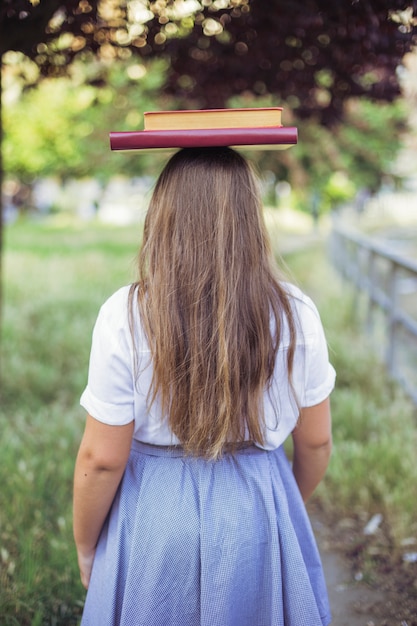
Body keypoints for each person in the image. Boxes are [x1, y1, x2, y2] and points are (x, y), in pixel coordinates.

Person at [73, 146, 335, 626]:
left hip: (154, 515)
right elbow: (316, 442)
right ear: (251, 220)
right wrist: (280, 503)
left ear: (163, 216)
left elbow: (102, 459)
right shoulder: (296, 313)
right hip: (258, 504)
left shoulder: (126, 315)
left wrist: (87, 546)